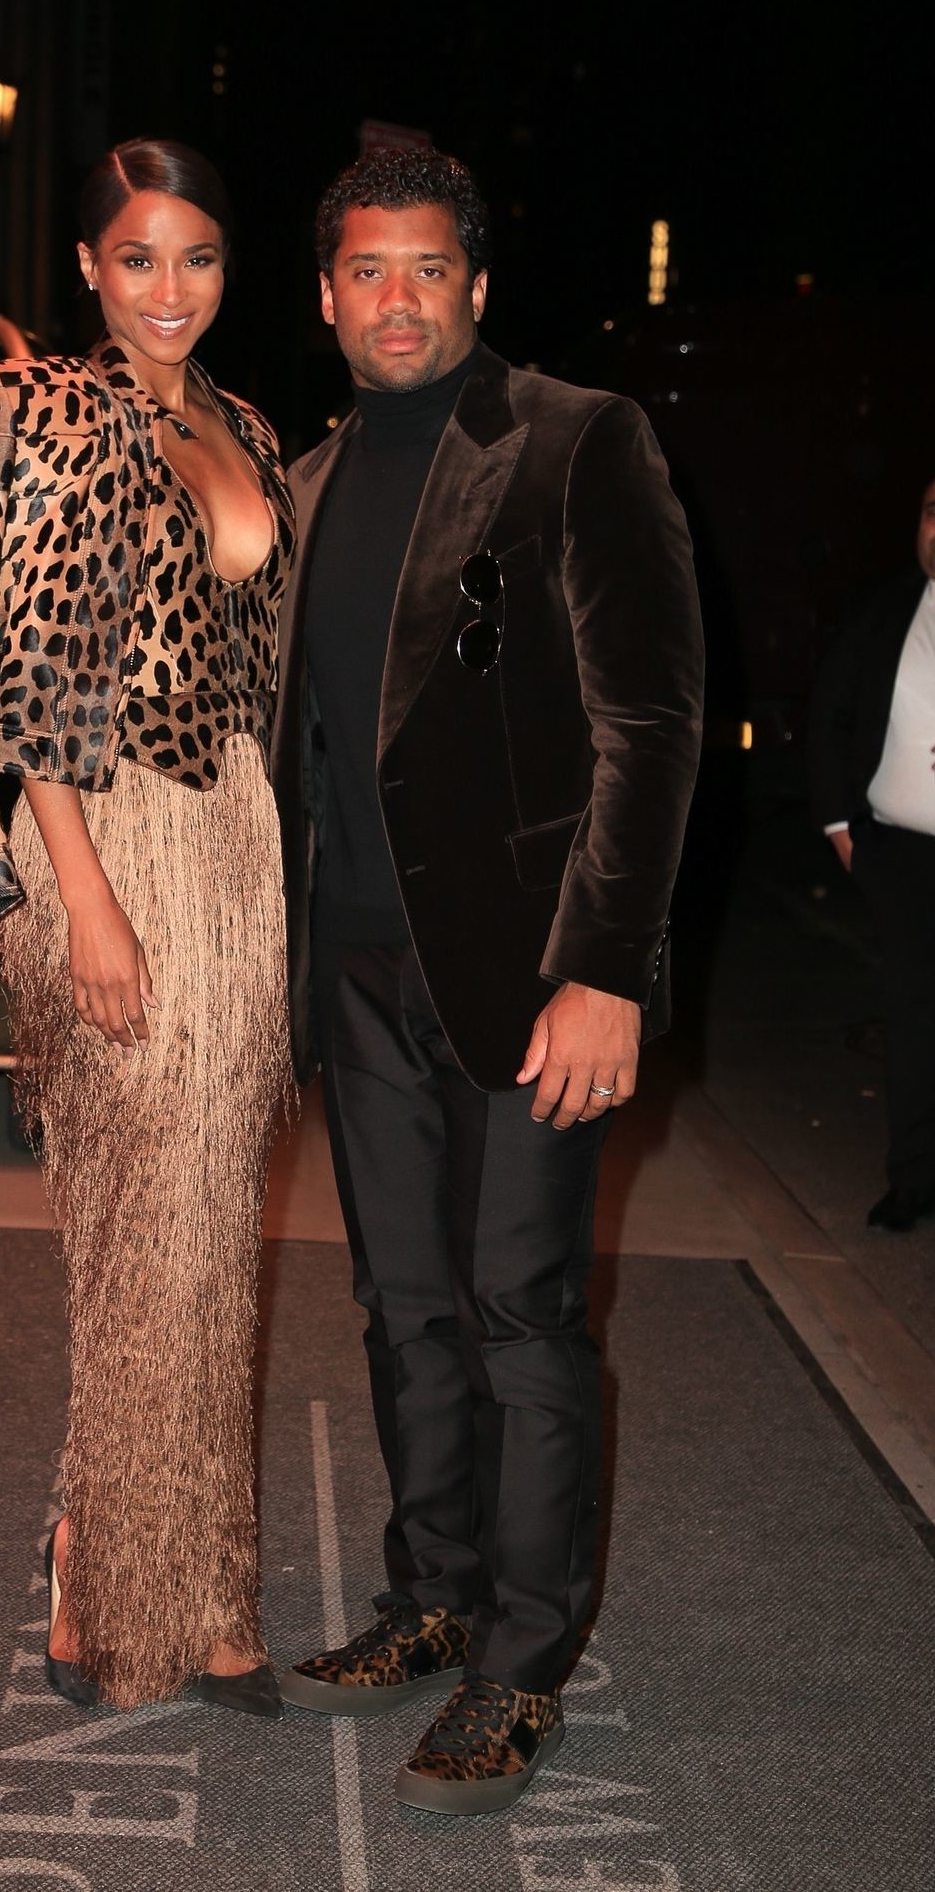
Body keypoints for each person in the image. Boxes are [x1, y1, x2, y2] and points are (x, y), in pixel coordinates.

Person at [271, 150, 703, 1815]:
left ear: (476, 286)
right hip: (358, 967)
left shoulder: (578, 441)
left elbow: (649, 726)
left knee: (522, 1315)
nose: (399, 299)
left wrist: (605, 969)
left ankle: (520, 1664)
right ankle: (434, 1594)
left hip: (531, 975)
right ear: (327, 294)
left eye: (429, 268)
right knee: (404, 1306)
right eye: (368, 269)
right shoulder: (304, 481)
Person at [0, 138, 295, 1716]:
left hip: (238, 839)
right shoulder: (32, 406)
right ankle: (100, 1567)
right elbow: (13, 672)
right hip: (103, 835)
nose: (168, 288)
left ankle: (201, 1578)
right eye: (137, 257)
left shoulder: (248, 429)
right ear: (88, 265)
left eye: (196, 256)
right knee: (139, 1221)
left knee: (212, 1218)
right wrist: (85, 904)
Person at [807, 478, 935, 1232]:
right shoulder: (885, 612)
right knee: (914, 1021)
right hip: (901, 856)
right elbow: (830, 714)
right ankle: (912, 1181)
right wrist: (839, 827)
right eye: (933, 512)